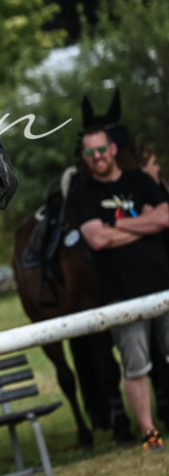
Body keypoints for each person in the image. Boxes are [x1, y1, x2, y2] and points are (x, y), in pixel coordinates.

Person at [70, 127, 169, 452]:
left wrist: (114, 226)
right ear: (85, 157)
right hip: (122, 297)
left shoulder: (140, 181)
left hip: (162, 286)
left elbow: (165, 217)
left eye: (102, 150)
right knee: (136, 366)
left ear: (112, 149)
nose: (97, 157)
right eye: (90, 153)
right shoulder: (83, 196)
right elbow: (97, 239)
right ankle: (149, 433)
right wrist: (143, 221)